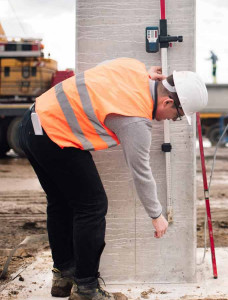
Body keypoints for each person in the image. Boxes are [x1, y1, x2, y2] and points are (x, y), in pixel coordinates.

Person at [17, 57, 208, 300]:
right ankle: (86, 288)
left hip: (32, 123)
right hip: (54, 135)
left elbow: (105, 71)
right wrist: (156, 214)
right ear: (167, 100)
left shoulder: (134, 68)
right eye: (177, 114)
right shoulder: (136, 120)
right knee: (92, 206)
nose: (173, 119)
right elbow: (141, 172)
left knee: (61, 203)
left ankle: (64, 275)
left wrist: (146, 72)